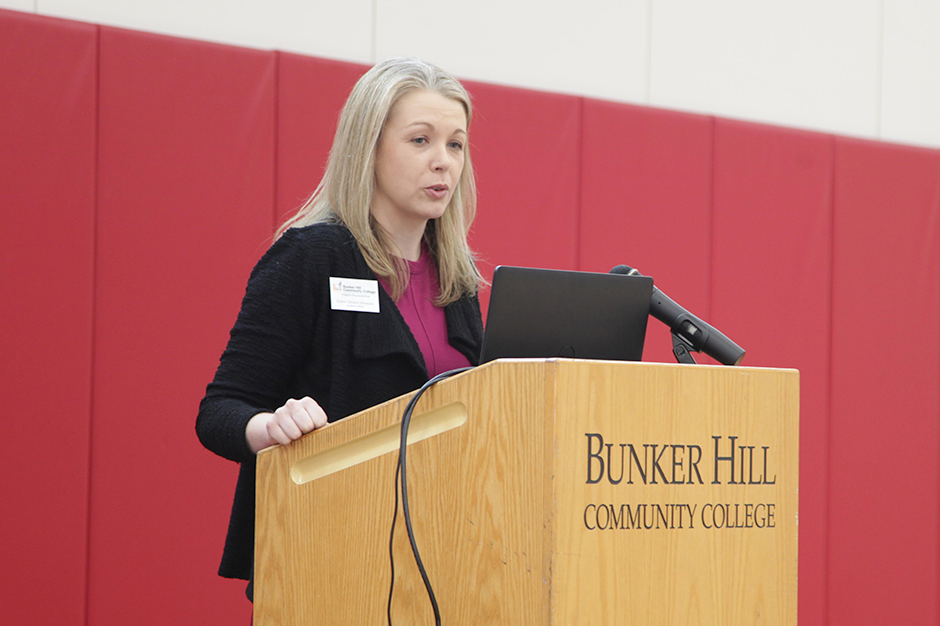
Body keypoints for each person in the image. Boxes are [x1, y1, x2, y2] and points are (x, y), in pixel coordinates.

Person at [195, 57, 485, 597]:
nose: (443, 163)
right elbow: (219, 412)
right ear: (368, 148)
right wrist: (270, 427)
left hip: (445, 559)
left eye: (455, 144)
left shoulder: (459, 279)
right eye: (420, 141)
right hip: (329, 552)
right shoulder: (309, 258)